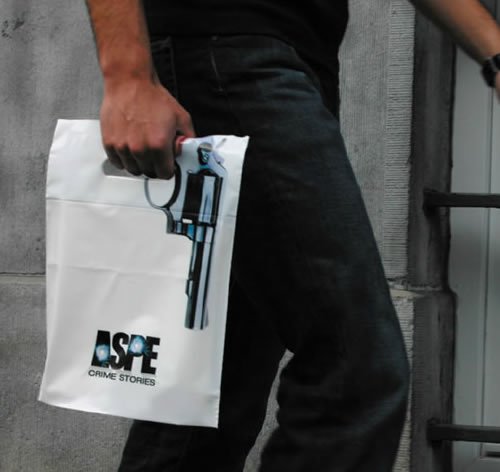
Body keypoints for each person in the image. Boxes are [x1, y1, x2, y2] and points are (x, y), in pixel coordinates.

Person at [85, 1, 500, 470]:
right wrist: (128, 76)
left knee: (211, 394)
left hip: (286, 59)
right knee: (354, 369)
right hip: (227, 52)